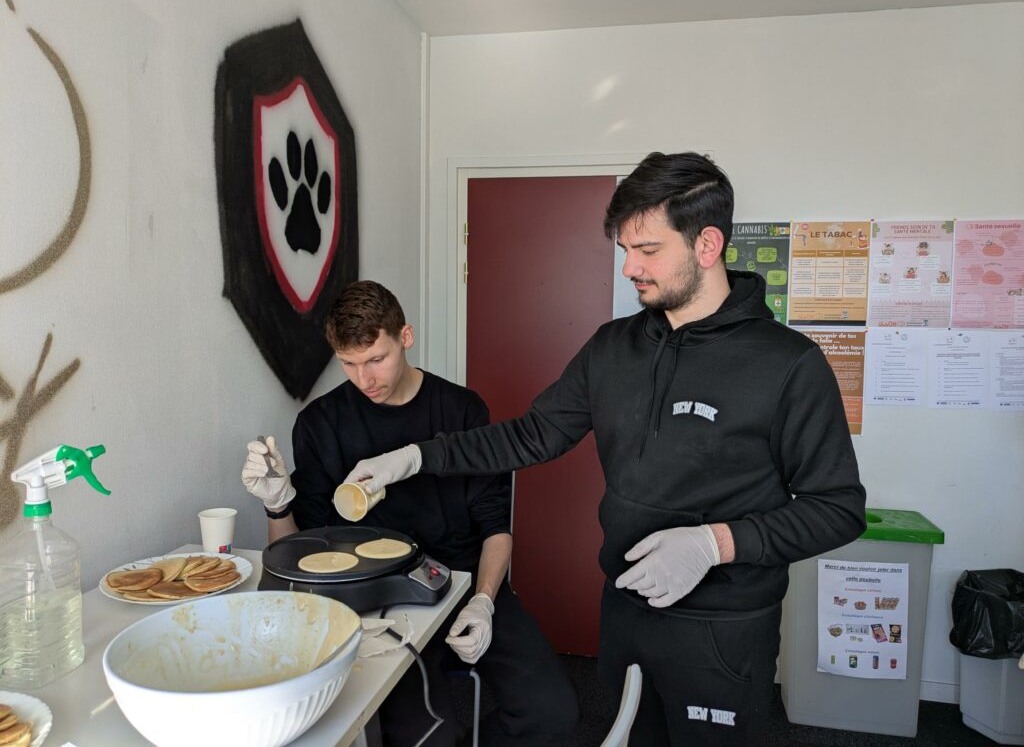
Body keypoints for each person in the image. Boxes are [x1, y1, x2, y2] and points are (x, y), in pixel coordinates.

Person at [343, 153, 867, 747]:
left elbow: (838, 507)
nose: (629, 268)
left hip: (724, 627)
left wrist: (714, 543)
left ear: (708, 244)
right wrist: (415, 457)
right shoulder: (612, 348)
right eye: (624, 250)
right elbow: (530, 435)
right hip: (625, 611)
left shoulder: (787, 364)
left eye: (646, 250)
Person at [241, 280, 578, 747]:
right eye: (349, 364)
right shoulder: (320, 423)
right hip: (371, 603)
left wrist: (484, 600)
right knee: (428, 736)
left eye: (376, 359)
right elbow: (297, 552)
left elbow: (495, 526)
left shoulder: (461, 410)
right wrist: (277, 502)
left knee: (552, 713)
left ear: (405, 337)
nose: (365, 380)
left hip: (462, 582)